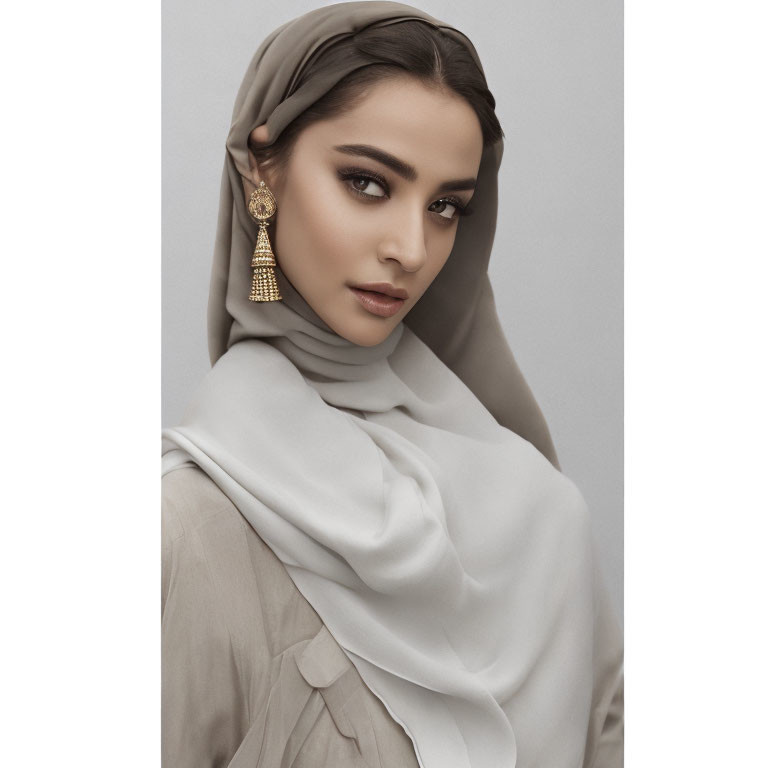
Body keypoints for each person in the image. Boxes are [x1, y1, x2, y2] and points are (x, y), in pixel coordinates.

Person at [161, 3, 624, 767]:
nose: (412, 247)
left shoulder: (542, 511)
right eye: (368, 184)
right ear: (261, 169)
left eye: (445, 206)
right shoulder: (189, 536)